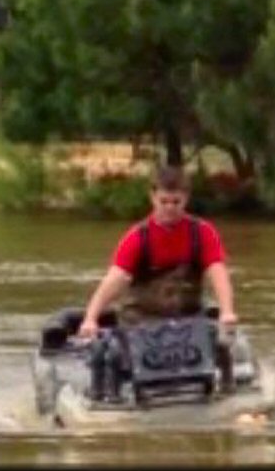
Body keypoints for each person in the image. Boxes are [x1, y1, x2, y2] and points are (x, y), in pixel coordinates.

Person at [77, 165, 239, 399]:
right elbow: (116, 279)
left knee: (220, 342)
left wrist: (227, 312)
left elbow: (218, 272)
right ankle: (112, 386)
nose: (170, 208)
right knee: (115, 355)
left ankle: (223, 381)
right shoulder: (138, 238)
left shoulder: (202, 233)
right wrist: (91, 318)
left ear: (186, 199)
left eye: (176, 202)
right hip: (141, 320)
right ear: (153, 197)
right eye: (164, 201)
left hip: (188, 319)